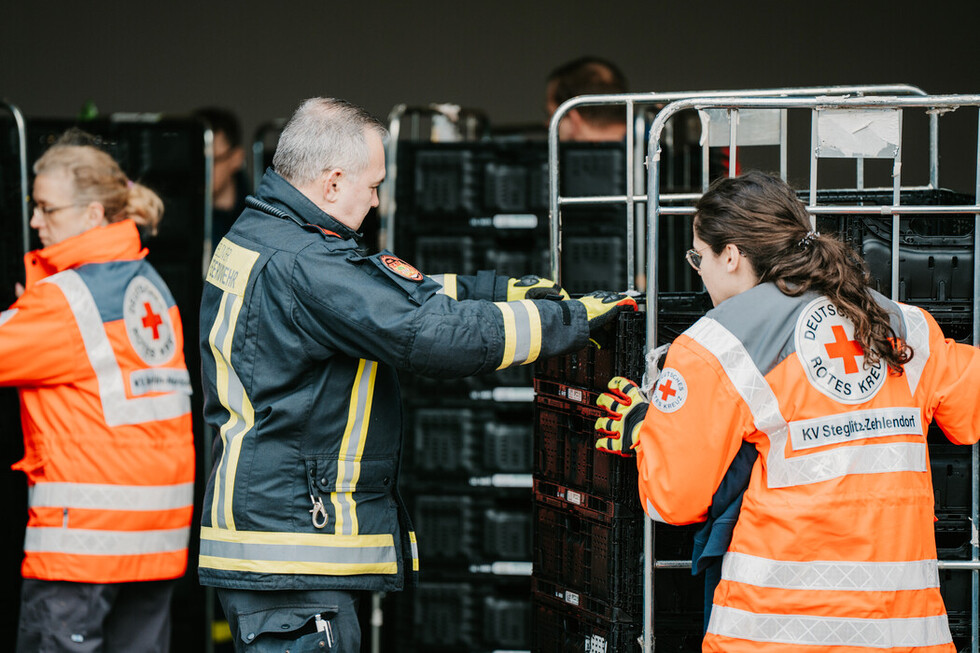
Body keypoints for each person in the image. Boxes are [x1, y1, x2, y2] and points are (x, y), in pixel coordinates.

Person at [197, 96, 635, 652]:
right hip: (294, 545)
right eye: (373, 185)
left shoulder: (265, 235)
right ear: (332, 183)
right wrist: (568, 321)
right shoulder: (307, 263)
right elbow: (428, 335)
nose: (377, 201)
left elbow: (381, 296)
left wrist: (498, 293)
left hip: (272, 531)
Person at [593, 171, 980, 652]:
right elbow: (968, 414)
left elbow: (673, 500)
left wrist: (647, 430)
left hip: (771, 633)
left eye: (699, 257)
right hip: (904, 635)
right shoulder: (903, 325)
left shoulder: (715, 343)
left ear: (730, 255)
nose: (700, 271)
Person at [0, 132, 196, 652]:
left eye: (45, 208)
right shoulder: (150, 285)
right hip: (156, 537)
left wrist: (27, 312)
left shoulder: (66, 300)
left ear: (91, 214)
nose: (36, 222)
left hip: (83, 540)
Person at [193, 107, 248, 246]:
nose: (201, 169)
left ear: (236, 158)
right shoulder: (179, 218)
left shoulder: (258, 216)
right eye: (195, 159)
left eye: (212, 160)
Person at [545, 56, 628, 141]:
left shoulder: (556, 153)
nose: (547, 124)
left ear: (574, 120)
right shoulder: (639, 146)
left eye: (551, 115)